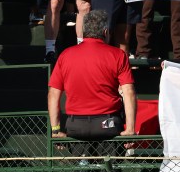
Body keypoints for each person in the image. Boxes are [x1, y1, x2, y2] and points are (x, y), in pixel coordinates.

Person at [48, 9, 136, 140]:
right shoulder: (118, 55)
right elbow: (128, 92)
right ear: (105, 32)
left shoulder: (65, 55)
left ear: (84, 32)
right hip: (108, 125)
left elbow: (53, 94)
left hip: (75, 125)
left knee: (79, 160)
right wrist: (130, 129)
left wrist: (55, 130)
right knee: (109, 161)